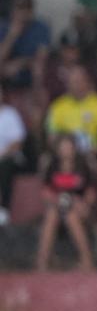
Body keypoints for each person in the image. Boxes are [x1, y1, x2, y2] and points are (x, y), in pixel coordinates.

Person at [35, 135, 96, 270]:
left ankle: (87, 259)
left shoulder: (83, 166)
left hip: (79, 209)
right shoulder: (53, 165)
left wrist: (85, 204)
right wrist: (60, 200)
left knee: (71, 216)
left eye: (69, 147)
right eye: (63, 147)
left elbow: (91, 192)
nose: (66, 150)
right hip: (57, 206)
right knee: (52, 215)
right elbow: (45, 192)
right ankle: (43, 261)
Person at [45, 66, 97, 155]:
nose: (76, 85)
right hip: (65, 155)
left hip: (93, 154)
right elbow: (52, 138)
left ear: (87, 82)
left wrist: (94, 151)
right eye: (72, 82)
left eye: (79, 81)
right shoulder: (57, 106)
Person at [0, 0, 50, 93]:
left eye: (27, 8)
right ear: (12, 9)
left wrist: (20, 63)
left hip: (29, 76)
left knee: (38, 70)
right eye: (20, 8)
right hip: (6, 79)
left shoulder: (41, 27)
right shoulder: (3, 27)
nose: (24, 12)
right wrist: (12, 36)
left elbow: (41, 58)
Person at [0, 82, 26, 226]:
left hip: (11, 158)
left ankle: (3, 209)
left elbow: (17, 143)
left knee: (4, 165)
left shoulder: (11, 114)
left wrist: (2, 153)